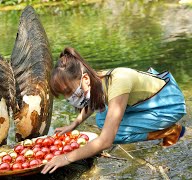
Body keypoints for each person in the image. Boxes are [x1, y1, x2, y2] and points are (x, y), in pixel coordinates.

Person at [41, 47, 186, 174]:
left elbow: (105, 141)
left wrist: (66, 158)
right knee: (101, 120)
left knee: (113, 135)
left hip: (168, 104)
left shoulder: (118, 83)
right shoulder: (95, 80)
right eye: (64, 95)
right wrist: (73, 124)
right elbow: (92, 102)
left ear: (85, 79)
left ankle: (171, 132)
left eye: (68, 91)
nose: (68, 98)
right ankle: (154, 124)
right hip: (147, 102)